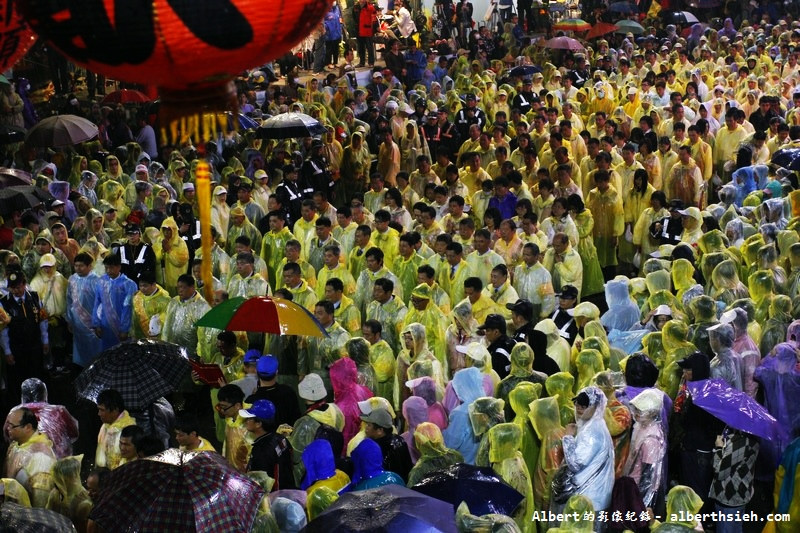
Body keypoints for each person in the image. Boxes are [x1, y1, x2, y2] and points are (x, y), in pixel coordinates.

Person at [550, 387, 614, 524]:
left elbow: (575, 464)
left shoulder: (592, 432)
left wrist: (567, 438)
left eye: (584, 406)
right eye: (577, 404)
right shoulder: (592, 425)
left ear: (595, 406)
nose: (579, 408)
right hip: (593, 496)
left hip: (591, 499)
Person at [3, 378, 78, 459]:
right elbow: (73, 433)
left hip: (23, 463)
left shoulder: (14, 412)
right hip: (57, 463)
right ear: (44, 393)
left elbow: (7, 436)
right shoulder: (59, 411)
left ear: (23, 394)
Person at [4, 406, 56, 508]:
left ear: (28, 427)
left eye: (12, 426)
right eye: (8, 424)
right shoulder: (15, 445)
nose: (7, 429)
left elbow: (41, 502)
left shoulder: (41, 457)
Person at [239, 399, 295, 490]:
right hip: (288, 490)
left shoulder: (261, 450)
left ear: (258, 424)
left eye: (249, 418)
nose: (246, 421)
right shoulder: (281, 438)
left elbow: (260, 484)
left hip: (274, 498)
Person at [91, 254, 137, 351]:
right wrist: (96, 324)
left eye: (111, 268)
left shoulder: (129, 284)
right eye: (106, 268)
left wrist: (124, 329)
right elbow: (97, 303)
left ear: (119, 267)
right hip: (105, 326)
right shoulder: (101, 281)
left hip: (121, 326)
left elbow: (128, 308)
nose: (108, 271)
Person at [359, 407, 413, 483]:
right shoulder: (400, 440)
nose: (366, 429)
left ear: (380, 430)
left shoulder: (377, 448)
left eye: (369, 425)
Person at [246, 355, 302, 427]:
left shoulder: (252, 400)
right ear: (276, 372)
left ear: (256, 372)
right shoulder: (289, 392)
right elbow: (297, 420)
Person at [94, 389, 136, 470]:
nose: (99, 414)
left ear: (115, 410)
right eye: (99, 409)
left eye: (102, 410)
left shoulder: (129, 430)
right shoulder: (105, 426)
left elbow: (128, 463)